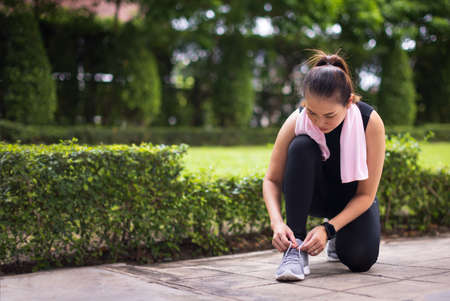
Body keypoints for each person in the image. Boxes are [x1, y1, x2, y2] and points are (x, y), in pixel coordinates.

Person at [262, 49, 385, 281]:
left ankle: (337, 235)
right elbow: (272, 179)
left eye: (329, 115)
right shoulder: (297, 120)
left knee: (360, 259)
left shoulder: (370, 122)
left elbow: (367, 195)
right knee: (300, 146)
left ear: (349, 102)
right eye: (312, 112)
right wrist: (277, 223)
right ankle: (295, 247)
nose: (319, 122)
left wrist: (328, 230)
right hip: (313, 195)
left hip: (351, 199)